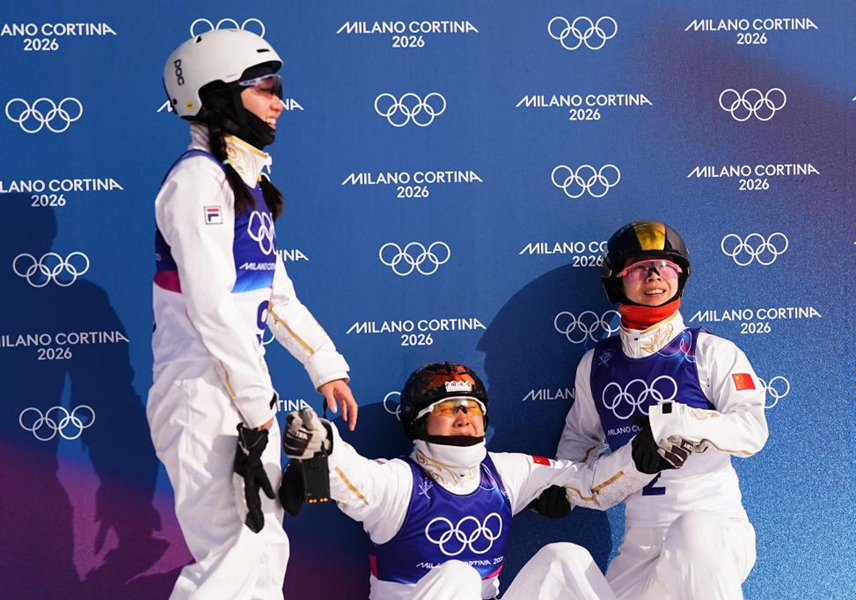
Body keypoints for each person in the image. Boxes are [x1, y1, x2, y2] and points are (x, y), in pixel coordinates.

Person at [146, 28, 357, 599]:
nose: (279, 102)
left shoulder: (245, 181)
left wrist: (324, 365)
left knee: (263, 551)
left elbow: (274, 296)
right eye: (265, 89)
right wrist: (256, 404)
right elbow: (212, 308)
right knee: (233, 555)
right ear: (216, 95)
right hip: (202, 394)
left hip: (239, 397)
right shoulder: (197, 180)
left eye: (278, 89)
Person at [552, 221, 768, 600]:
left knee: (694, 530)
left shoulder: (711, 351)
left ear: (680, 277)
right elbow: (578, 444)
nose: (654, 276)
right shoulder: (596, 364)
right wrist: (560, 487)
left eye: (666, 266)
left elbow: (751, 430)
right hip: (640, 544)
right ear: (616, 282)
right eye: (638, 268)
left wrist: (683, 422)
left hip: (715, 529)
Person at [280, 362, 619, 600]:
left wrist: (640, 457)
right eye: (447, 409)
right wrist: (322, 445)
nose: (463, 417)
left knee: (566, 558)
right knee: (459, 575)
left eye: (471, 408)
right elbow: (355, 476)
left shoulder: (504, 472)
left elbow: (588, 480)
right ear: (418, 422)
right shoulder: (399, 480)